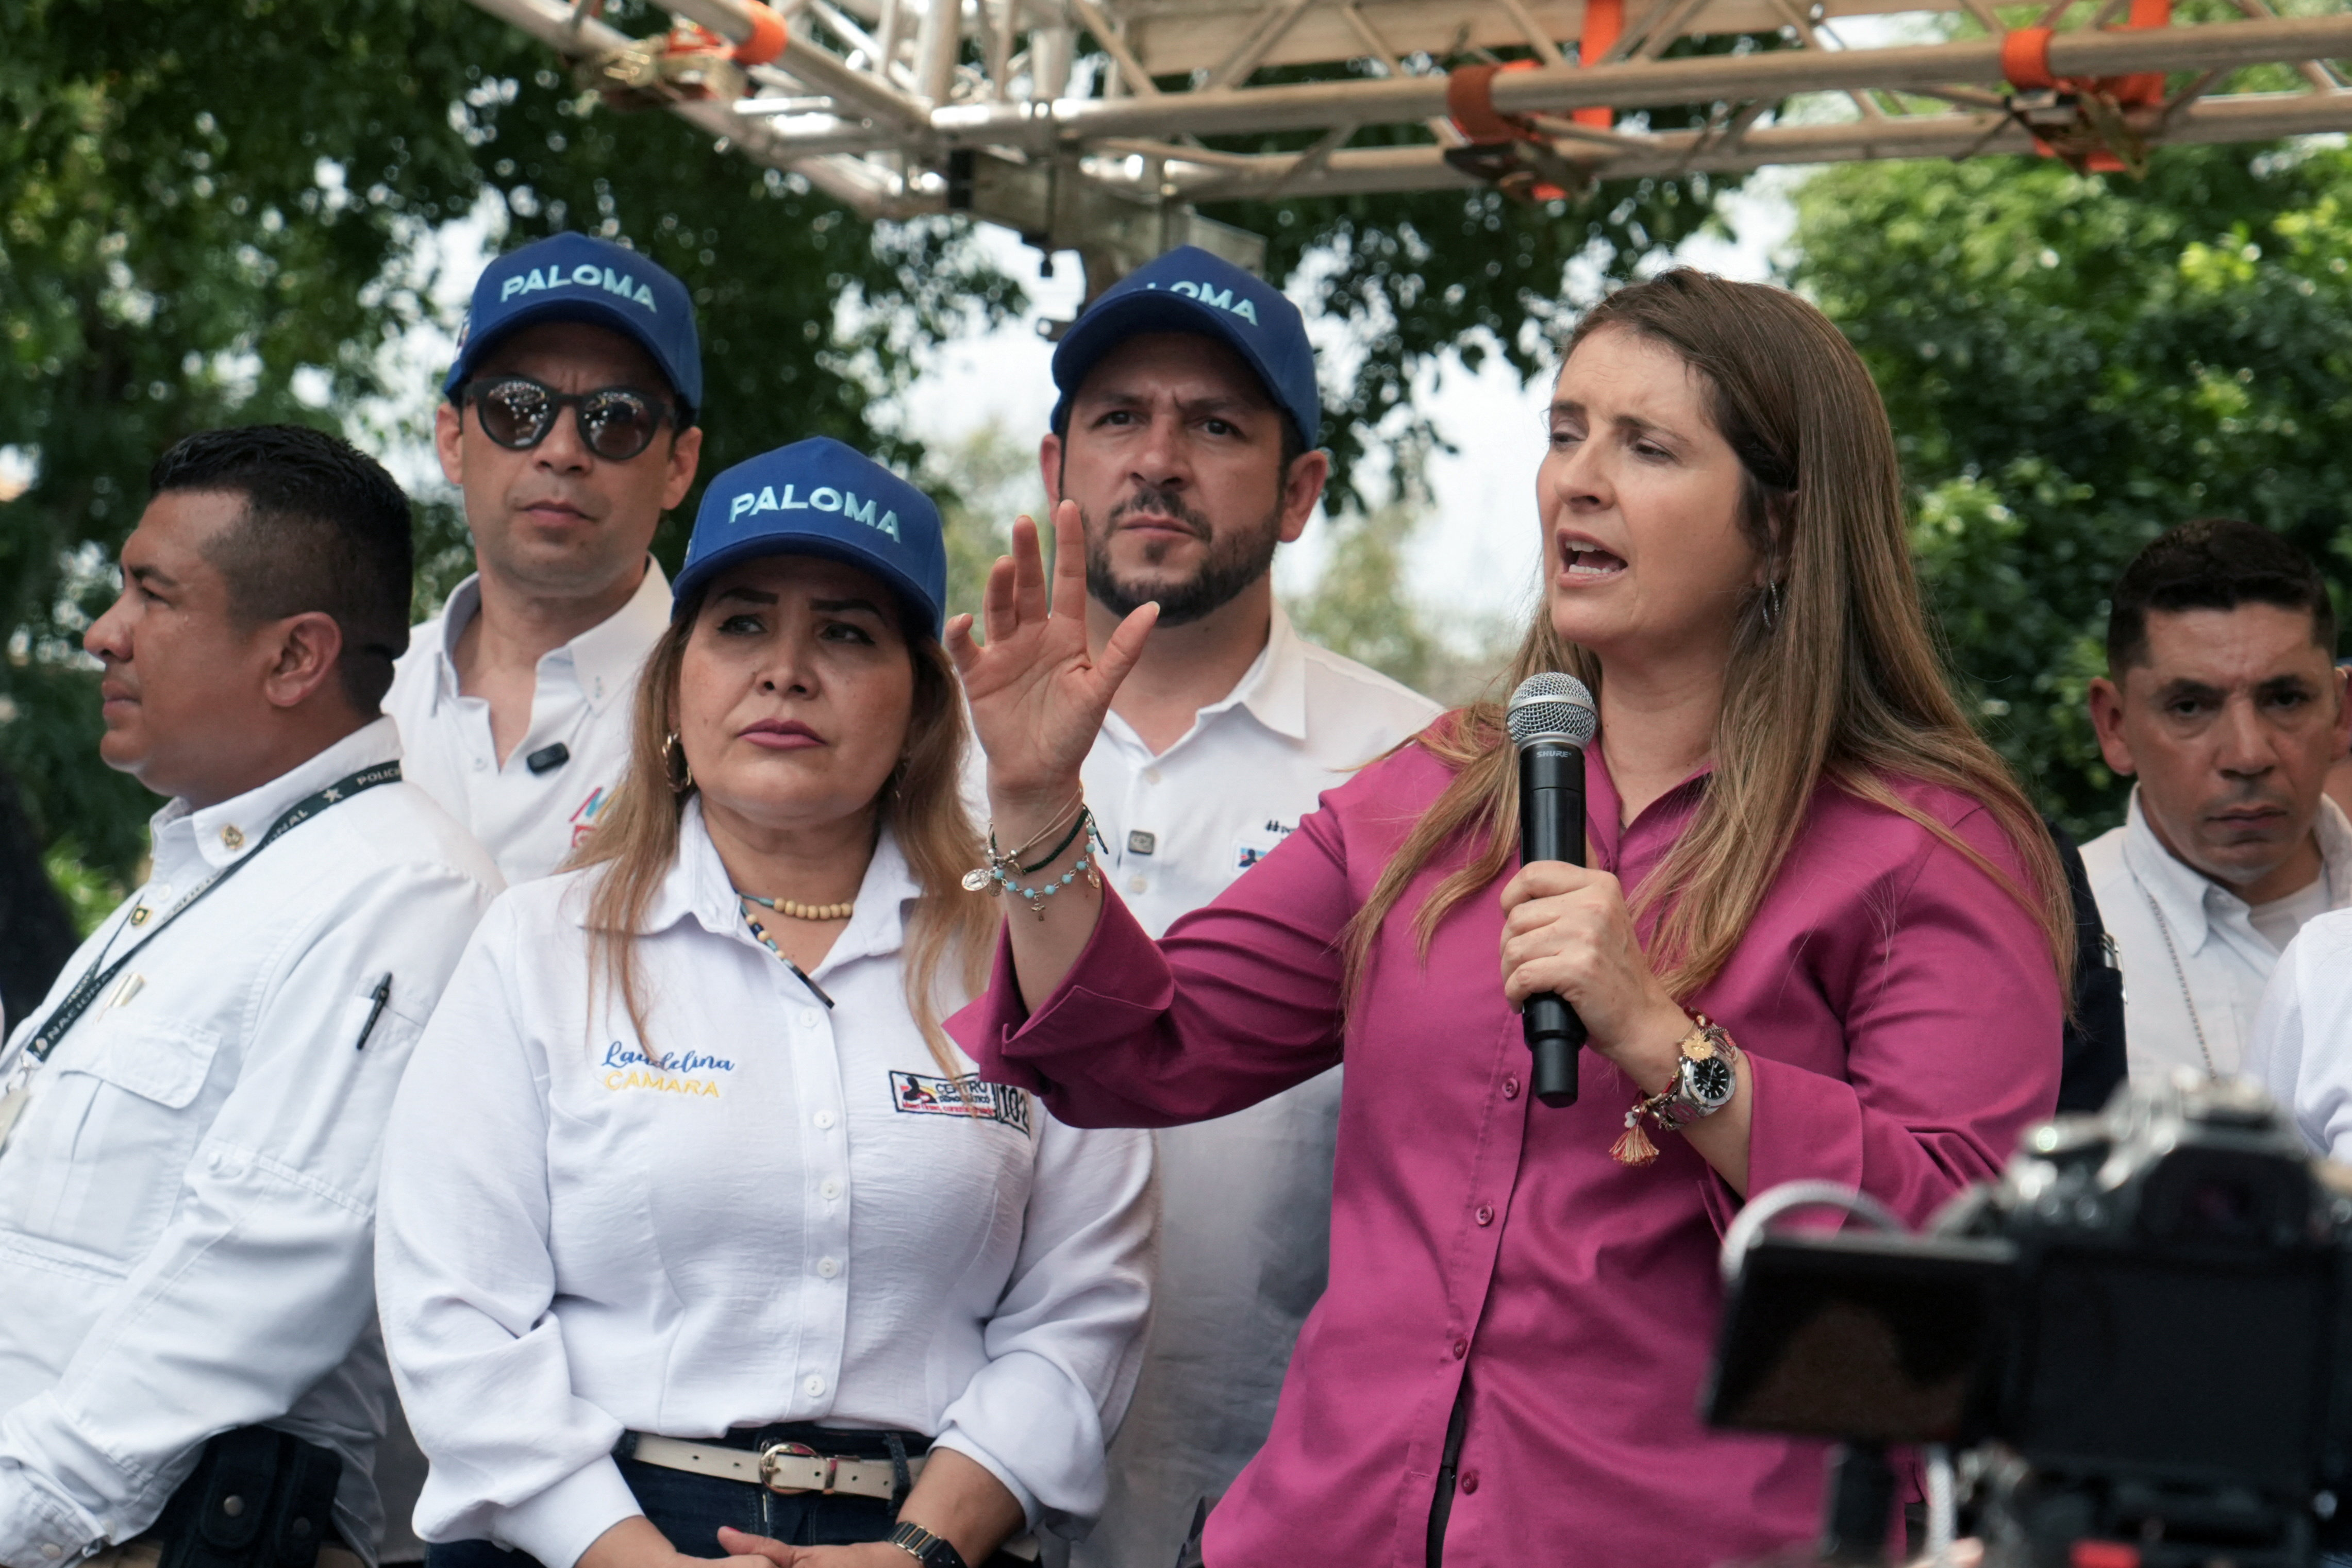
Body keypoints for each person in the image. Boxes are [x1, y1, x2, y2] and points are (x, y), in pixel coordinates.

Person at [945, 270, 2071, 1566]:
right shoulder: (1431, 792)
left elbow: (1962, 1256)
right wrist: (1035, 806)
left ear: (1781, 529)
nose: (1575, 483)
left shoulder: (1927, 843)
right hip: (1323, 1531)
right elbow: (1135, 1046)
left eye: (1645, 447)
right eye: (1563, 432)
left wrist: (1672, 1048)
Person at [374, 439, 1155, 1568]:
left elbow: (1085, 1311)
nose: (785, 671)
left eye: (845, 632)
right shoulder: (540, 945)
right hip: (589, 1539)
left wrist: (917, 1553)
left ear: (922, 707)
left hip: (928, 1542)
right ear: (675, 676)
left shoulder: (1021, 954)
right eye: (741, 623)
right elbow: (455, 1308)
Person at [0, 426, 502, 1567]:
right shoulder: (197, 881)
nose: (102, 631)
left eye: (151, 593)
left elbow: (254, 1278)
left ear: (293, 659)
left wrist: (18, 1514)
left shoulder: (403, 891)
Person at [1020, 245, 1441, 1567]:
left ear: (1302, 486)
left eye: (1213, 424)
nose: (1157, 458)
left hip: (1271, 1485)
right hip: (933, 1479)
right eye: (1117, 419)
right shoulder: (918, 746)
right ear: (1055, 468)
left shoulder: (1417, 775)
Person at [382, 231, 705, 886]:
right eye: (516, 407)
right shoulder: (358, 702)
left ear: (679, 465)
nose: (561, 450)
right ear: (452, 441)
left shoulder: (750, 716)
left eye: (616, 418)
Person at [2081, 519, 2352, 1083]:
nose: (2248, 755)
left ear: (2342, 714)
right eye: (2189, 707)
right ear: (2115, 725)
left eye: (2285, 699)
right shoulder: (2049, 939)